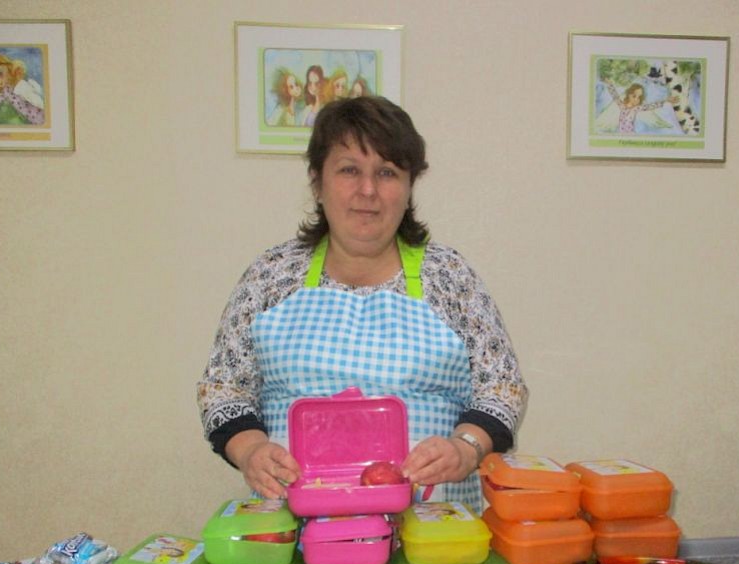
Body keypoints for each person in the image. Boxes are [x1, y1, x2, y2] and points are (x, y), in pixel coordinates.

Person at [198, 96, 527, 510]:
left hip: (434, 527)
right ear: (317, 182)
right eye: (349, 170)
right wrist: (250, 451)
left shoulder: (450, 276)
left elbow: (502, 387)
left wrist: (466, 448)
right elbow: (223, 388)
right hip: (294, 527)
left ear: (409, 188)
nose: (368, 190)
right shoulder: (271, 274)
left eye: (387, 172)